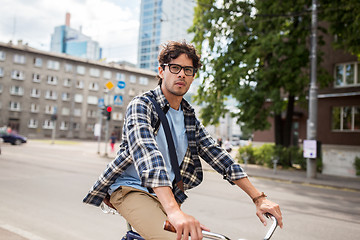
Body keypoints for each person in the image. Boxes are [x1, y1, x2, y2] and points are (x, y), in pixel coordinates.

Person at [83, 41, 283, 240]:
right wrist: (174, 211)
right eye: (175, 68)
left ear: (193, 76)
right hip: (130, 188)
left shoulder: (188, 116)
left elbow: (218, 155)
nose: (182, 74)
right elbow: (148, 156)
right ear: (161, 71)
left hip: (162, 195)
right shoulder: (142, 106)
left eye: (188, 70)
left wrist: (259, 198)